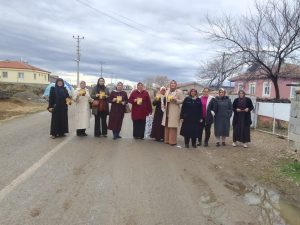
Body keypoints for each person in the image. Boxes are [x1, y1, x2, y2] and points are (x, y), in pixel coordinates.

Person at [161, 80, 184, 146]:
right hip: (167, 109)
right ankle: (167, 140)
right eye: (171, 83)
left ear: (176, 85)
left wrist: (175, 100)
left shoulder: (179, 91)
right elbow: (164, 98)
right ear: (170, 84)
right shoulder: (167, 90)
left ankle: (172, 141)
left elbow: (182, 100)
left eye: (174, 83)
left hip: (174, 110)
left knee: (173, 126)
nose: (172, 84)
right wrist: (164, 104)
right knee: (167, 125)